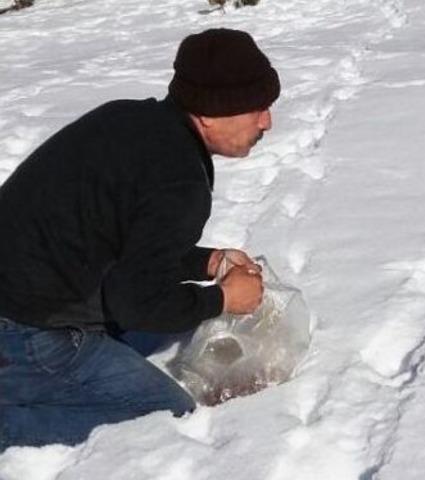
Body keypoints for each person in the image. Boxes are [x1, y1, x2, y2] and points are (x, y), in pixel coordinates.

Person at [0, 28, 280, 450]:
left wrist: (207, 263)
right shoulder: (179, 181)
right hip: (24, 330)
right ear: (209, 111)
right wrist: (222, 299)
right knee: (163, 415)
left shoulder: (130, 120)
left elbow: (119, 237)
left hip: (19, 294)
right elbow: (136, 302)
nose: (267, 122)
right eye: (256, 108)